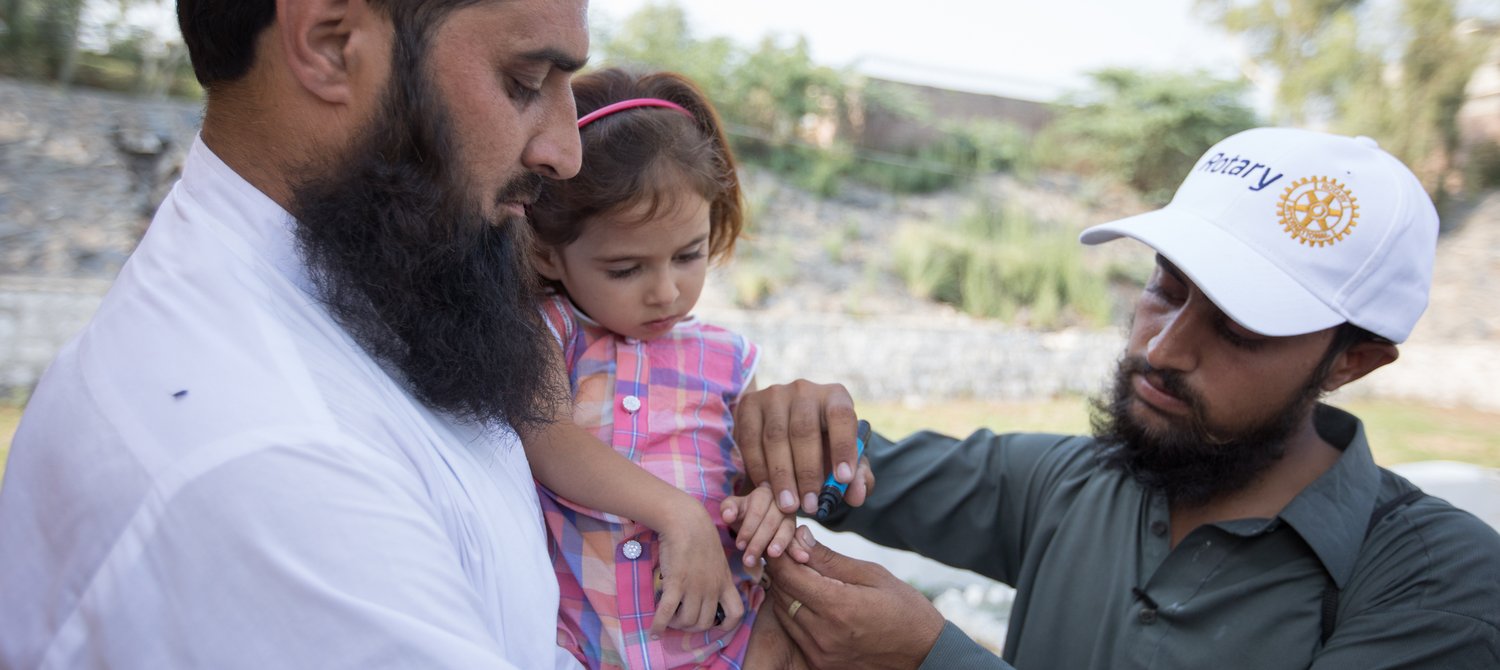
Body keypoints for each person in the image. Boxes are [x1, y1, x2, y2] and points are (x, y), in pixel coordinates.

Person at [735, 128, 1500, 668]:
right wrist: (796, 431)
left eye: (1241, 329)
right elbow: (848, 468)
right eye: (1165, 287)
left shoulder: (1437, 583)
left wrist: (928, 659)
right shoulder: (1069, 483)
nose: (1162, 349)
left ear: (1353, 362)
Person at [0, 1, 594, 667]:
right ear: (330, 46)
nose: (566, 153)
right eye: (525, 81)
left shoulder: (372, 301)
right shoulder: (275, 459)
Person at [522, 67, 805, 670]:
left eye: (689, 255)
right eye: (625, 269)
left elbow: (753, 480)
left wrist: (767, 505)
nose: (666, 291)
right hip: (588, 649)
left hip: (728, 646)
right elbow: (548, 438)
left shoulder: (730, 360)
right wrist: (678, 514)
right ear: (548, 252)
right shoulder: (553, 330)